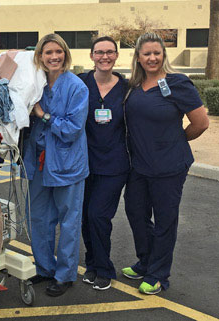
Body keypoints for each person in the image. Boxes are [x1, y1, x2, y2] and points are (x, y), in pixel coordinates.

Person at [122, 32, 209, 295]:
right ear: (138, 57)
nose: (152, 58)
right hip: (139, 165)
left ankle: (158, 275)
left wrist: (175, 141)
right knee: (136, 213)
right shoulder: (134, 87)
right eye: (146, 53)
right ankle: (146, 261)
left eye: (156, 53)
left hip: (169, 166)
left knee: (164, 220)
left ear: (163, 55)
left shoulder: (177, 83)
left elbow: (201, 123)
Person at [23, 34, 89, 297]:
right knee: (38, 218)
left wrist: (43, 115)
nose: (53, 57)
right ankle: (45, 268)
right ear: (39, 57)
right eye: (47, 52)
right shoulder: (35, 86)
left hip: (66, 163)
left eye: (58, 52)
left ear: (65, 54)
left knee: (69, 221)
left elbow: (73, 129)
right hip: (38, 162)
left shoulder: (76, 87)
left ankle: (65, 275)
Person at [78, 36, 129, 291]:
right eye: (99, 52)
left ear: (116, 55)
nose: (104, 57)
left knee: (99, 215)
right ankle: (92, 263)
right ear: (92, 56)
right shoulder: (81, 83)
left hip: (115, 164)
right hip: (84, 163)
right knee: (86, 217)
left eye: (110, 52)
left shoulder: (128, 87)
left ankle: (105, 268)